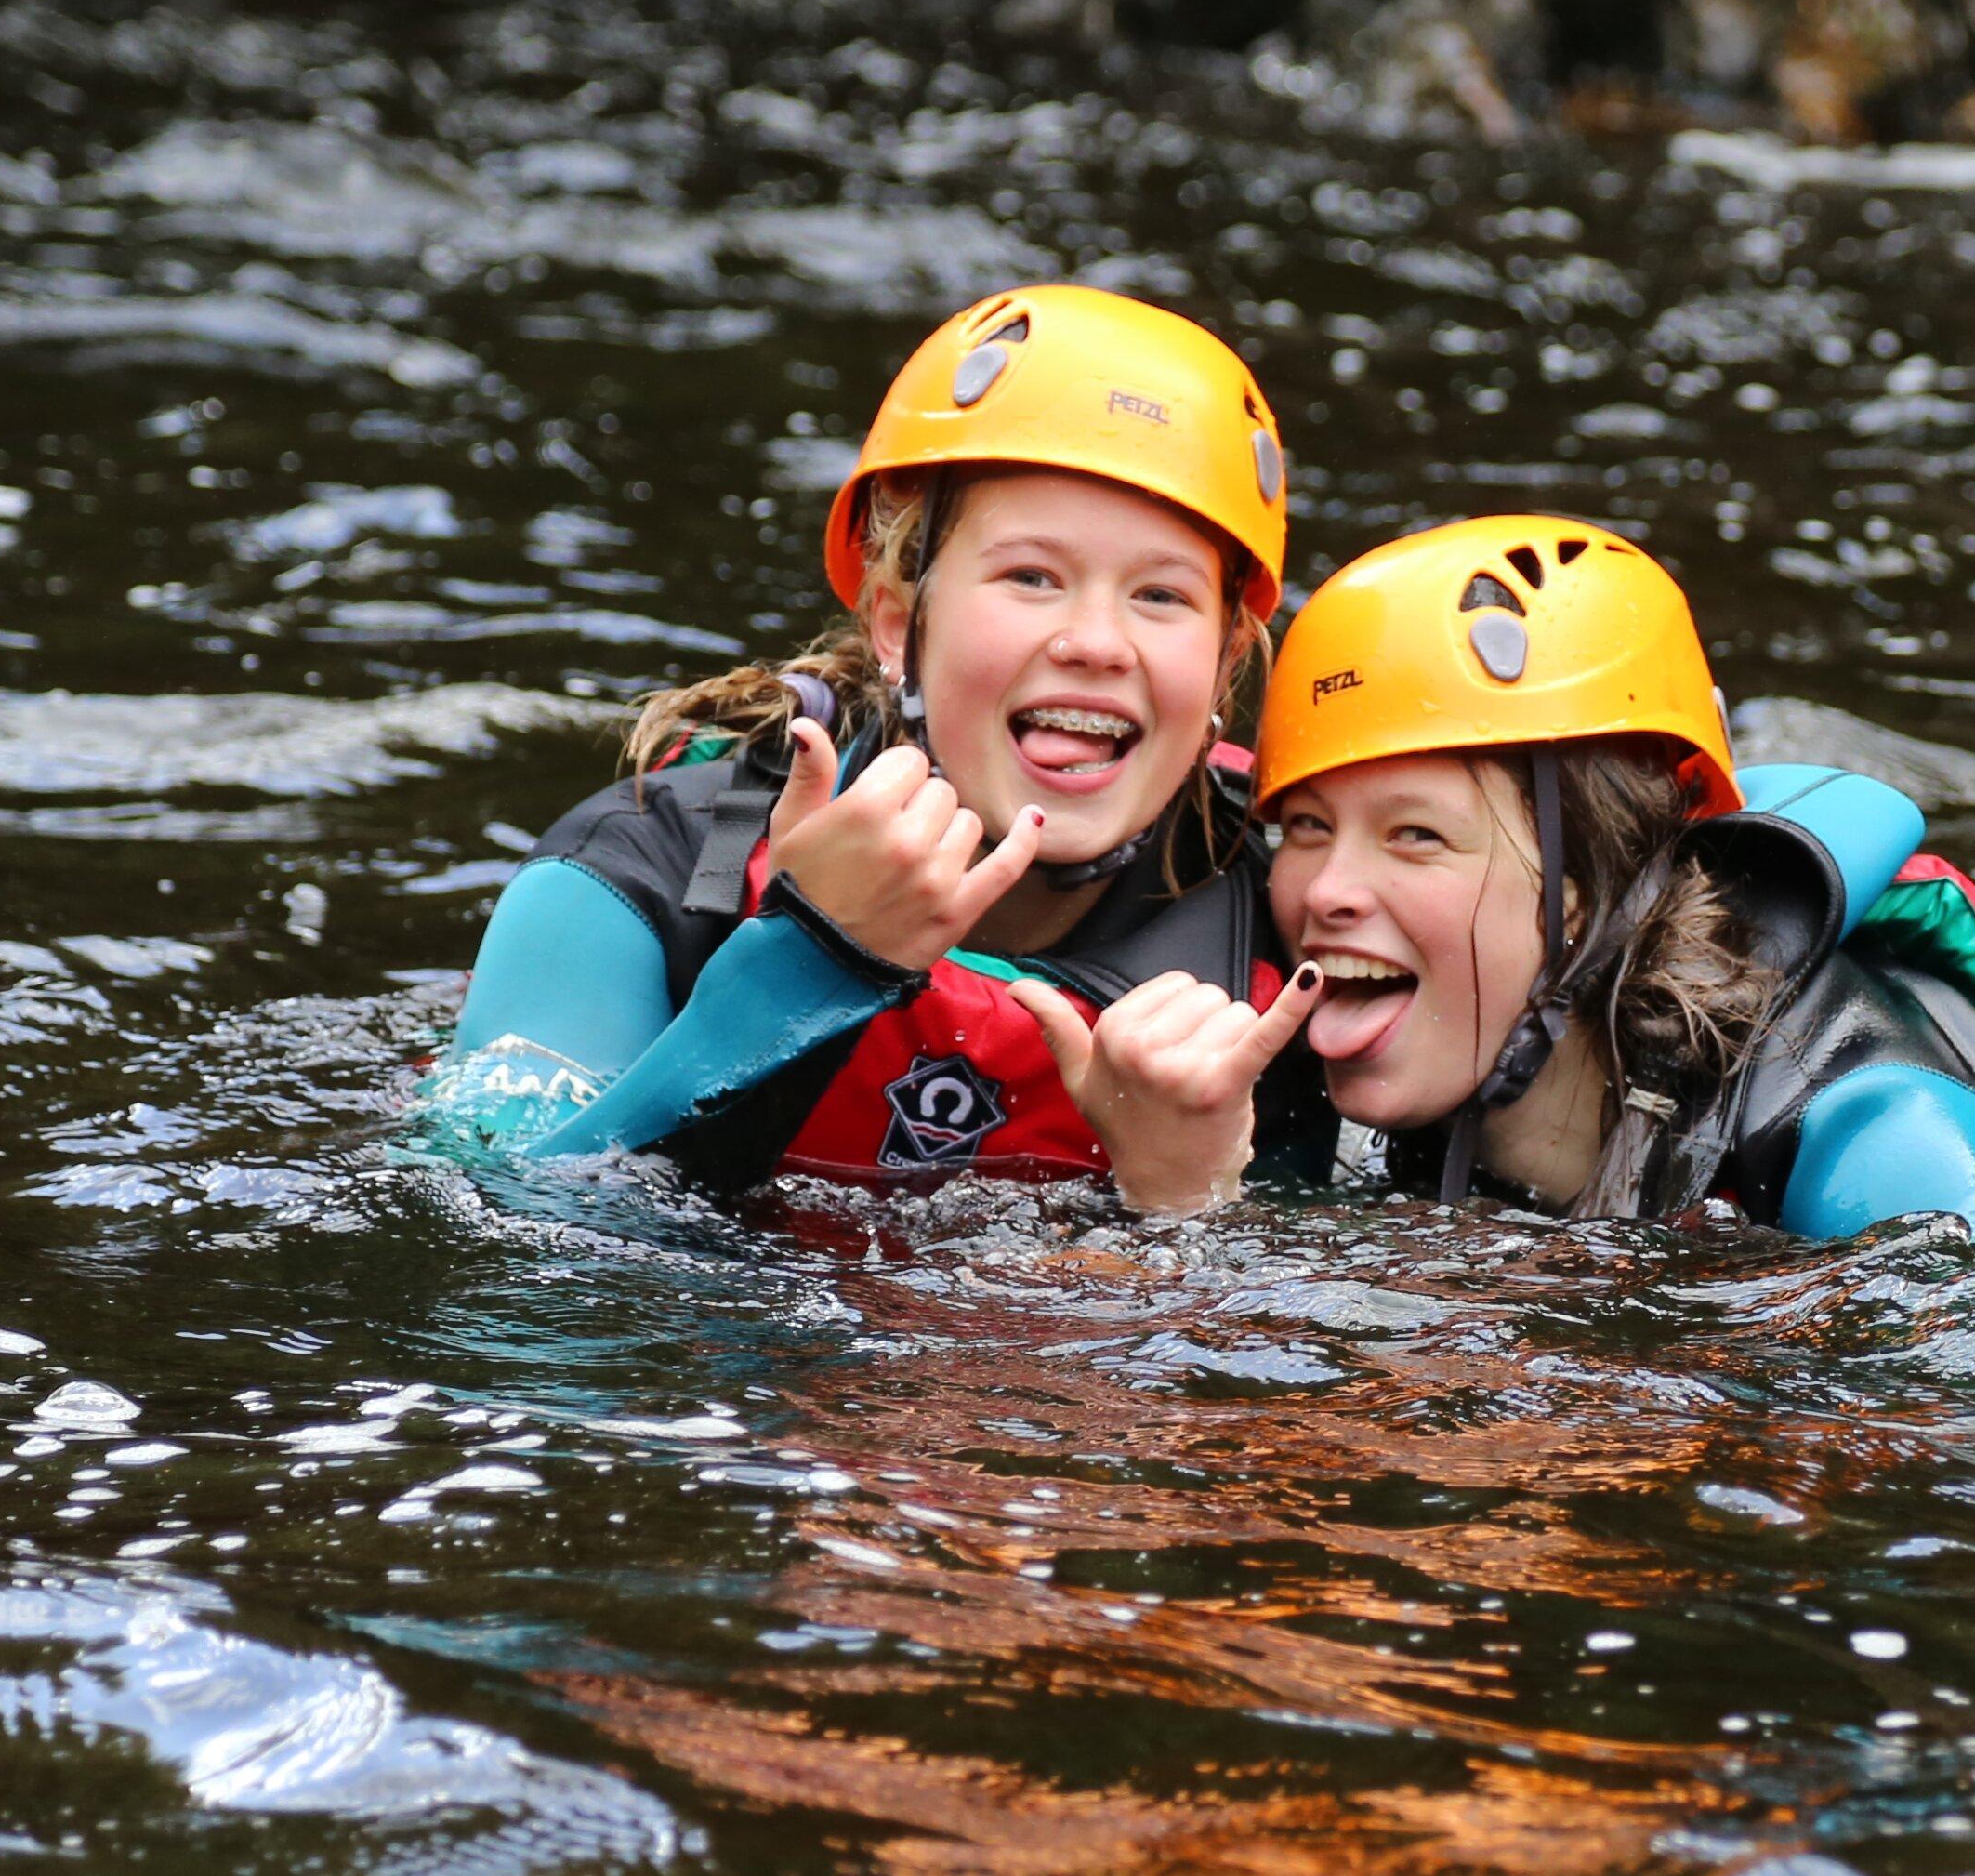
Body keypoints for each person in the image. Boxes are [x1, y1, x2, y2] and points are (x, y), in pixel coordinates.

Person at [427, 283, 1333, 1213]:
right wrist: (813, 963)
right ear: (899, 624)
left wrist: (1181, 1195)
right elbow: (505, 1239)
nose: (1098, 642)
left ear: (1224, 666)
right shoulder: (637, 880)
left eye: (1160, 596)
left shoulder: (1298, 934)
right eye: (1031, 577)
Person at [1181, 511, 1975, 1223]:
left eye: (1415, 836)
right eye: (1308, 826)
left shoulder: (1886, 1140)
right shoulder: (1362, 1041)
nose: (1325, 890)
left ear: (1590, 893)